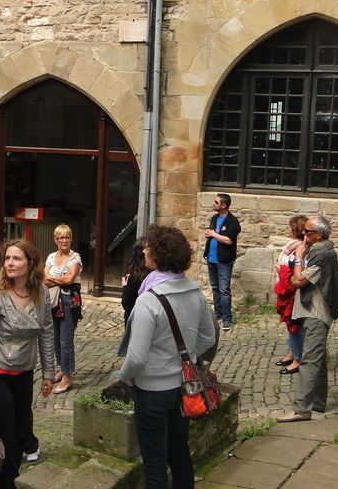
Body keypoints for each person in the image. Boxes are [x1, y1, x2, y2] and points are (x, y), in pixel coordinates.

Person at [115, 225, 217, 489]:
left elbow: (137, 357)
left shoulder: (148, 300)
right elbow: (208, 339)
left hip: (153, 391)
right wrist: (186, 358)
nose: (144, 251)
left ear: (158, 255)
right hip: (184, 388)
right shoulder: (195, 293)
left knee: (155, 463)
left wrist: (123, 377)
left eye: (148, 247)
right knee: (180, 454)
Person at [0, 239, 55, 489]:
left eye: (16, 258)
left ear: (30, 263)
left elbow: (47, 334)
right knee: (5, 435)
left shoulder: (41, 294)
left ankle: (13, 478)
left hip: (24, 372)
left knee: (21, 432)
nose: (9, 263)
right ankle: (5, 484)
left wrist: (48, 374)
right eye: (7, 258)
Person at [277, 215, 338, 423]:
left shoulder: (322, 254)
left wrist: (299, 257)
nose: (303, 234)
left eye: (308, 231)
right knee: (318, 358)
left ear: (319, 234)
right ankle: (317, 402)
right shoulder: (319, 250)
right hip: (312, 311)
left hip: (317, 313)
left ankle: (301, 409)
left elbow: (299, 280)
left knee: (309, 360)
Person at [44, 224, 82, 395]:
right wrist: (61, 278)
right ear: (55, 240)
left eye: (67, 237)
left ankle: (68, 376)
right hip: (52, 301)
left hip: (68, 301)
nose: (64, 240)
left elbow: (70, 280)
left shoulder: (75, 257)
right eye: (61, 238)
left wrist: (53, 278)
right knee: (55, 338)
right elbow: (43, 279)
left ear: (71, 239)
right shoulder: (51, 256)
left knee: (66, 341)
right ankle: (61, 368)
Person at [273, 215, 308, 375]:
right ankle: (292, 352)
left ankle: (298, 359)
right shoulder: (293, 246)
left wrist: (282, 270)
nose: (288, 230)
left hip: (294, 292)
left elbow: (299, 268)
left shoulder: (302, 248)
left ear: (295, 231)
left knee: (295, 324)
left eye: (291, 228)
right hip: (288, 291)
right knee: (290, 323)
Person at [203, 193, 241, 331]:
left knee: (224, 290)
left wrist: (213, 234)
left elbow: (228, 240)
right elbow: (213, 234)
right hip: (211, 259)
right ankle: (218, 312)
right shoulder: (214, 218)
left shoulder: (233, 221)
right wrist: (209, 235)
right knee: (215, 287)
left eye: (216, 202)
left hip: (224, 260)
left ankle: (227, 319)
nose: (213, 204)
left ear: (224, 205)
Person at [120, 237, 148, 325]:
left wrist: (125, 286)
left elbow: (126, 303)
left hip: (135, 319)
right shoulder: (152, 272)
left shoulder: (134, 276)